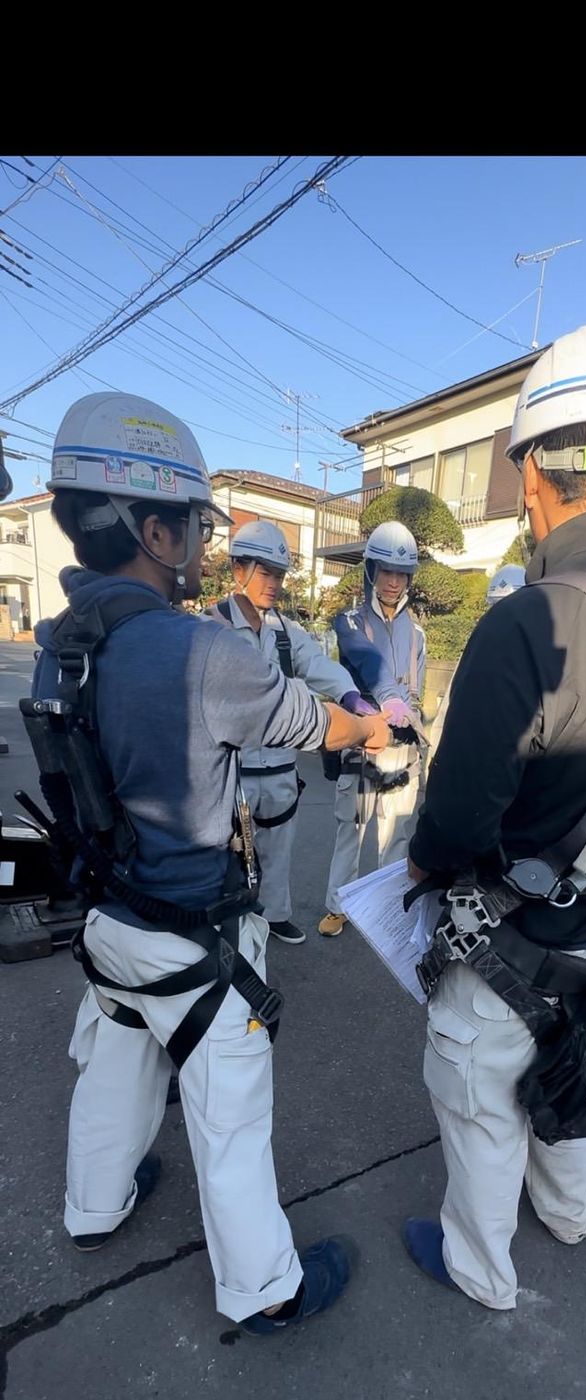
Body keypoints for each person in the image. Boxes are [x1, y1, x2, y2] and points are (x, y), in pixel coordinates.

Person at [31, 391, 390, 1336]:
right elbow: (318, 723)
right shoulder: (203, 650)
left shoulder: (62, 641)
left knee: (114, 1070)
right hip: (194, 937)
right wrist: (372, 724)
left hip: (110, 922)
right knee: (230, 1121)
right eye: (194, 525)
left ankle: (93, 1208)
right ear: (153, 530)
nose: (203, 544)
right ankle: (265, 1287)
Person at [400, 325, 586, 1310]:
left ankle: (480, 1269)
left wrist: (421, 868)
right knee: (576, 1066)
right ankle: (567, 1215)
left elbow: (455, 820)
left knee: (483, 1106)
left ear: (530, 472)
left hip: (512, 935)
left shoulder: (523, 620)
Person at [207, 519, 374, 945]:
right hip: (233, 769)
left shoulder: (286, 632)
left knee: (279, 849)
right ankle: (230, 925)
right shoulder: (212, 627)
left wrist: (351, 697)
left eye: (279, 575)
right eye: (265, 572)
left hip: (281, 765)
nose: (273, 584)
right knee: (229, 856)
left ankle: (276, 916)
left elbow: (318, 666)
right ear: (238, 569)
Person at [318, 521, 426, 937]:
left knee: (395, 835)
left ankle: (385, 910)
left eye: (402, 573)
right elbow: (364, 659)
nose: (393, 582)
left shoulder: (417, 633)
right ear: (371, 571)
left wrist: (408, 713)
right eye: (386, 571)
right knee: (351, 829)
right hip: (361, 742)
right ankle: (338, 906)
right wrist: (383, 701)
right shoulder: (349, 621)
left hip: (401, 745)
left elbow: (415, 689)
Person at [428, 564, 526, 762]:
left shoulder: (535, 660)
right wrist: (436, 759)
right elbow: (447, 713)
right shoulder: (474, 653)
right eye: (496, 607)